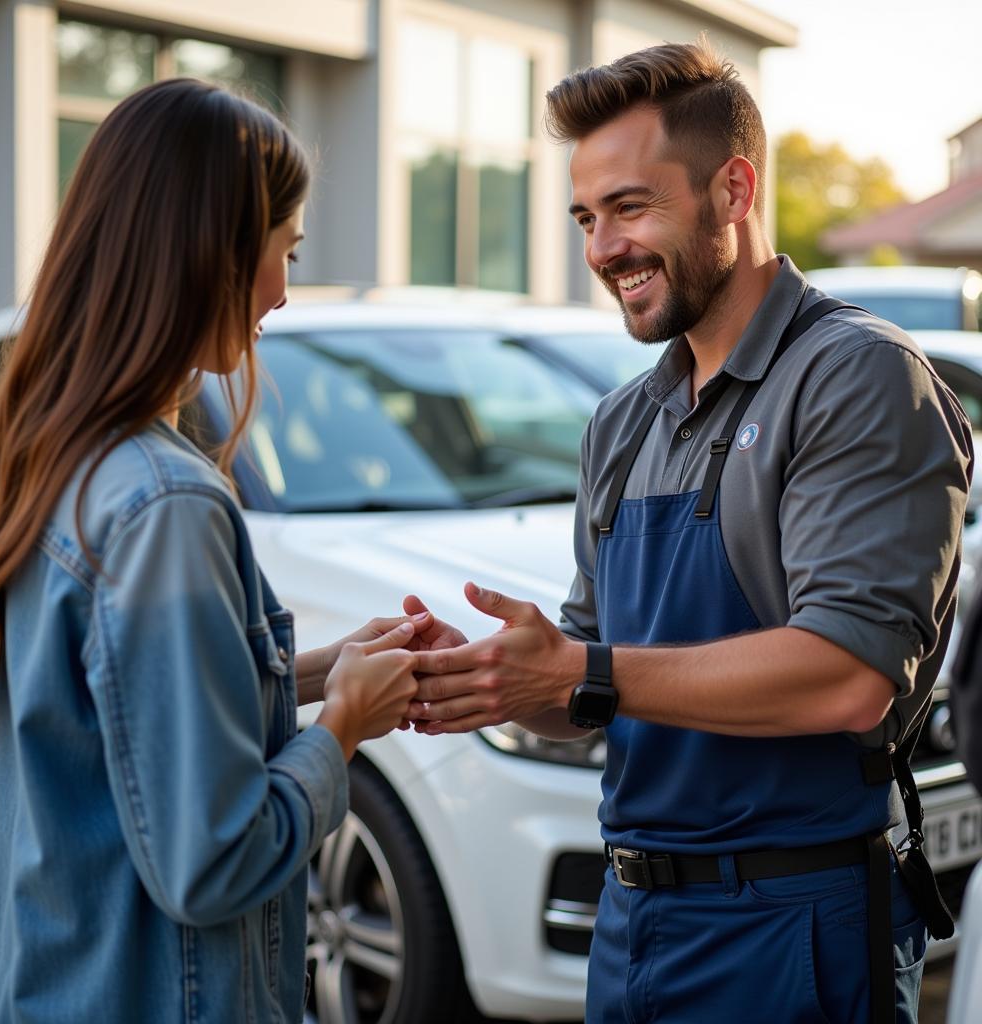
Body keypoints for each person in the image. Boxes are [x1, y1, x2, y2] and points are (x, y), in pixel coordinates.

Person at [407, 40, 973, 1023]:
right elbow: (592, 692)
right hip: (629, 926)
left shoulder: (855, 376)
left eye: (629, 207)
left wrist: (583, 670)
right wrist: (495, 678)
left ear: (733, 189)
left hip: (792, 927)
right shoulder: (622, 422)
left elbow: (848, 676)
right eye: (587, 218)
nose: (601, 249)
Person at [0, 79, 462, 1022]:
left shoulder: (17, 461)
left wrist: (319, 672)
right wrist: (342, 728)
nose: (283, 290)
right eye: (286, 251)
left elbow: (100, 720)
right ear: (212, 252)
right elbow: (216, 858)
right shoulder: (163, 504)